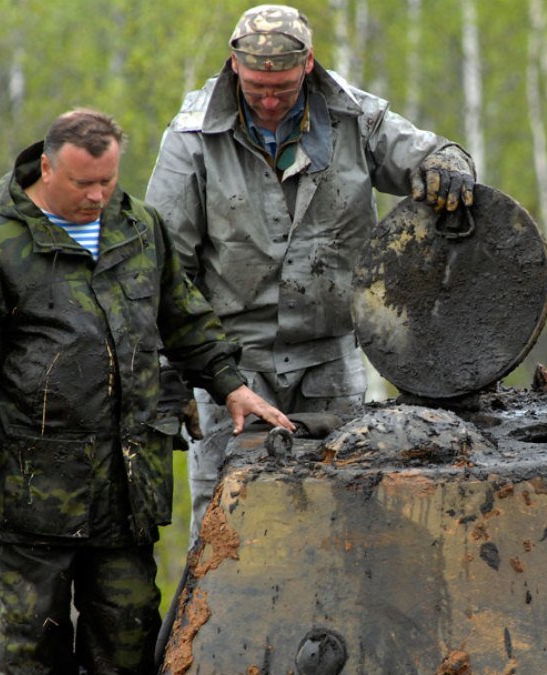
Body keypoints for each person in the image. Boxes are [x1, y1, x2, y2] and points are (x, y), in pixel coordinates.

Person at [0, 109, 294, 675]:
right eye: (82, 184)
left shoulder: (139, 228)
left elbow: (184, 318)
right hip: (32, 495)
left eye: (107, 181)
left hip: (127, 487)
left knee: (127, 651)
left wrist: (230, 383)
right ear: (46, 167)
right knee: (37, 656)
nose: (97, 195)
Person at [145, 4, 476, 539]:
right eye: (256, 89)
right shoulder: (192, 138)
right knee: (225, 524)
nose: (270, 100)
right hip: (231, 366)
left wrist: (449, 163)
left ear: (309, 65)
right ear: (234, 67)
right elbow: (163, 270)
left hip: (331, 357)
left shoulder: (354, 120)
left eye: (282, 87)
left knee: (341, 514)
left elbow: (431, 155)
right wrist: (173, 375)